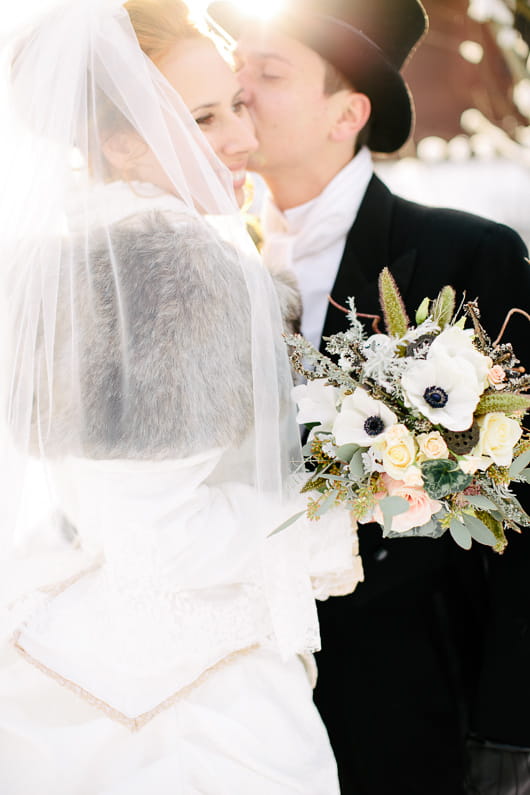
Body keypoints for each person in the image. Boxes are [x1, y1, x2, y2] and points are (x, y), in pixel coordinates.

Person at [0, 1, 363, 793]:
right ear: (120, 142)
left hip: (67, 662)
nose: (243, 137)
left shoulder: (49, 267)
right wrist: (340, 508)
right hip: (192, 707)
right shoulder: (186, 272)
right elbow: (157, 540)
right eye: (203, 119)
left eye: (236, 103)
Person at [207, 1, 530, 793]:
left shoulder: (468, 255)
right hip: (236, 698)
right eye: (234, 65)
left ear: (347, 113)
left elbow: (521, 507)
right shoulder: (206, 267)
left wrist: (511, 727)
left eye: (269, 72)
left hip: (411, 707)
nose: (238, 89)